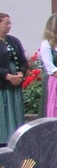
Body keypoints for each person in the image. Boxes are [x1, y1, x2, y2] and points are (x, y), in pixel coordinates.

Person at [0, 13, 27, 144]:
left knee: (16, 110)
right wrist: (7, 75)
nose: (9, 26)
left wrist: (21, 73)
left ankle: (16, 138)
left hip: (15, 83)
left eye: (10, 23)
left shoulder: (14, 41)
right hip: (2, 84)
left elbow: (23, 60)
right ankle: (3, 139)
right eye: (6, 23)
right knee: (4, 110)